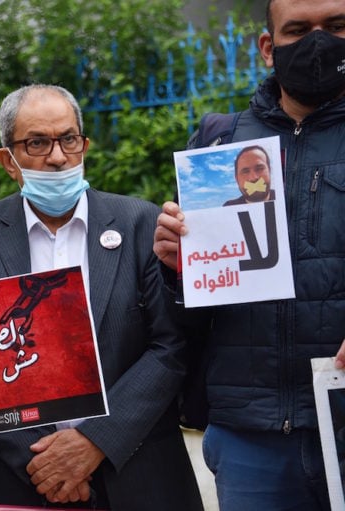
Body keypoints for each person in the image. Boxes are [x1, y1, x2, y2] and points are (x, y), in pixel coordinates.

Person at [0, 84, 202, 510]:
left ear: (84, 145)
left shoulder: (141, 224)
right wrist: (49, 462)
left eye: (68, 139)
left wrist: (94, 442)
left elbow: (169, 347)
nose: (58, 156)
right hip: (24, 478)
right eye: (37, 143)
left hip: (141, 472)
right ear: (8, 161)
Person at [153, 0, 345, 509]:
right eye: (299, 30)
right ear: (268, 48)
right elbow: (185, 312)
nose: (319, 42)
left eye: (338, 26)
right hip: (248, 437)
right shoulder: (220, 144)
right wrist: (176, 271)